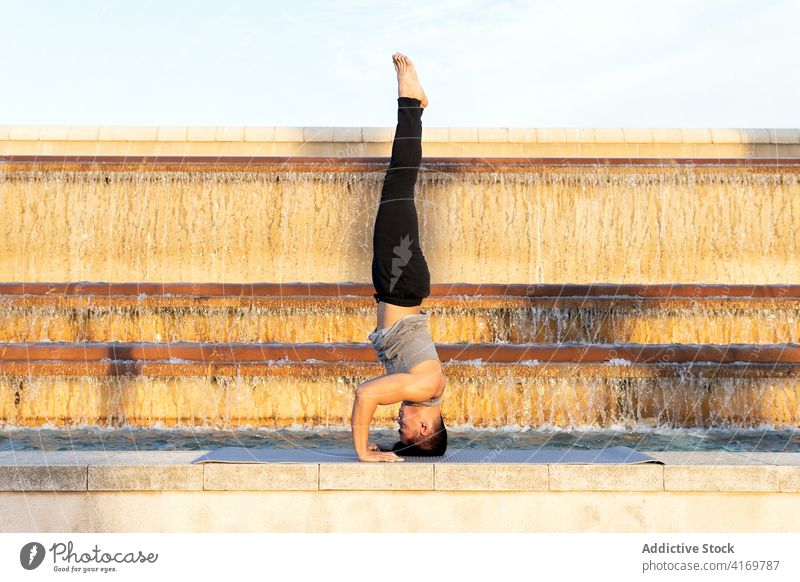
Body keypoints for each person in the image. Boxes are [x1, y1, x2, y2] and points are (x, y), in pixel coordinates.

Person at [350, 52, 447, 462]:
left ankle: (414, 107)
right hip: (399, 279)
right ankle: (411, 102)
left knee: (398, 186)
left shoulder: (429, 390)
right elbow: (366, 393)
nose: (397, 425)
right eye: (403, 430)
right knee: (398, 183)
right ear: (425, 427)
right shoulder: (424, 390)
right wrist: (364, 454)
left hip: (396, 283)